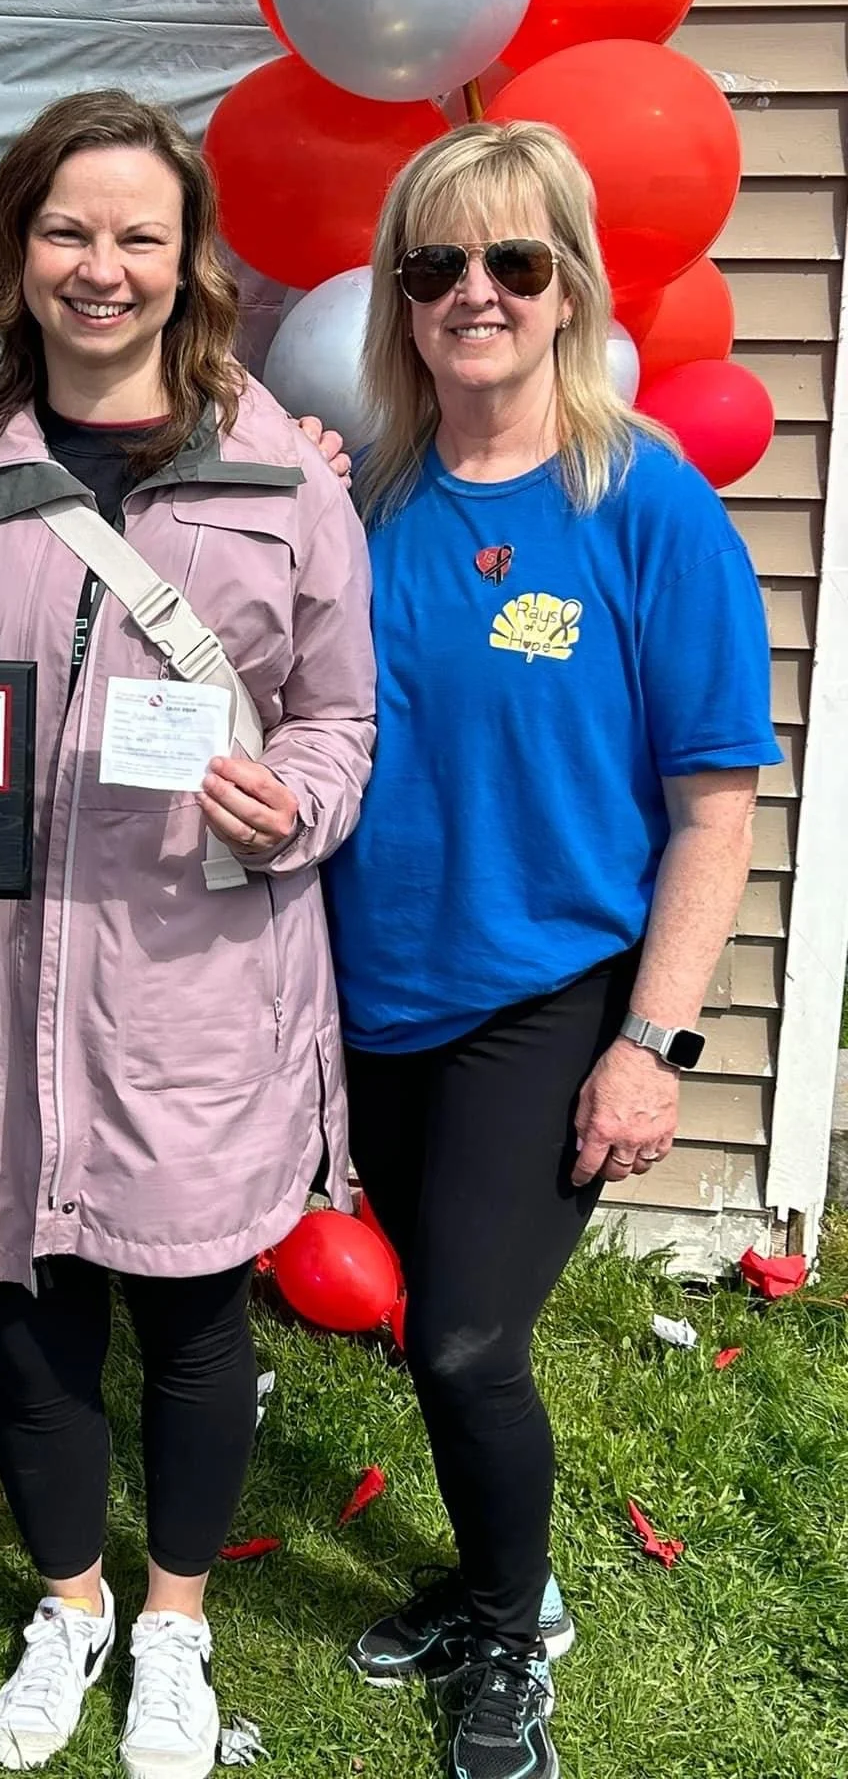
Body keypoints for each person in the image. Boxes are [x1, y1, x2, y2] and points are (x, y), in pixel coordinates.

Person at [0, 89, 376, 1779]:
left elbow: (339, 719)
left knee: (189, 1317)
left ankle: (174, 1619)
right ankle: (72, 1597)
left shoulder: (282, 476)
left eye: (139, 236)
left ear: (191, 262)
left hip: (194, 986)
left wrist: (290, 800)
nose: (103, 268)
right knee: (22, 1314)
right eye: (68, 231)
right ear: (20, 254)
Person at [323, 120, 780, 1779]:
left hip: (551, 993)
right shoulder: (362, 497)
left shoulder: (644, 501)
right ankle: (489, 1574)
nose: (476, 293)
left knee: (461, 1336)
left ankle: (518, 1629)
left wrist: (650, 1047)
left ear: (573, 282)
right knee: (432, 1325)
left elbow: (715, 810)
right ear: (401, 296)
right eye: (436, 264)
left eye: (515, 260)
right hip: (377, 998)